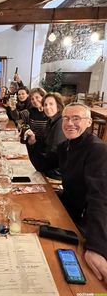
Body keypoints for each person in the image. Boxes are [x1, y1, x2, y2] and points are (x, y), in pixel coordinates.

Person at [29, 102, 107, 283]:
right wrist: (31, 144)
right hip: (68, 206)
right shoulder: (66, 146)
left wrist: (96, 248)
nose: (70, 123)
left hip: (85, 220)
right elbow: (43, 164)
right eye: (66, 118)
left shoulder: (98, 150)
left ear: (89, 122)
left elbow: (100, 199)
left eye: (76, 118)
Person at [26, 92, 66, 179]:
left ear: (58, 106)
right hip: (51, 164)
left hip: (57, 171)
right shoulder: (51, 121)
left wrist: (33, 148)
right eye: (45, 105)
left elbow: (54, 155)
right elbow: (45, 141)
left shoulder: (60, 123)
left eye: (51, 104)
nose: (47, 107)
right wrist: (33, 139)